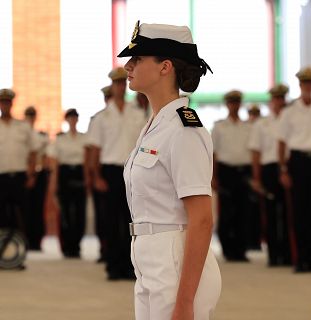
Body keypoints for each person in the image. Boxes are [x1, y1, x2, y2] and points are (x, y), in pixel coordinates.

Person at [119, 21, 221, 319]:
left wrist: (185, 301)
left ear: (165, 67)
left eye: (137, 59)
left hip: (175, 261)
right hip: (149, 258)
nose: (128, 66)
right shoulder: (155, 126)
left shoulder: (183, 129)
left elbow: (201, 219)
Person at [87, 67, 145, 279]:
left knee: (132, 220)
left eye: (123, 83)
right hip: (110, 172)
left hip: (132, 171)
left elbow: (144, 145)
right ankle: (113, 266)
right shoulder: (101, 117)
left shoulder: (138, 114)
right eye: (117, 83)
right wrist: (96, 177)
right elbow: (94, 150)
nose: (120, 87)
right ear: (112, 86)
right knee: (111, 221)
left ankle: (130, 266)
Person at [278, 66, 311, 272]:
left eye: (310, 83)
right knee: (299, 211)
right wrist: (284, 170)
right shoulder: (289, 113)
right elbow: (282, 143)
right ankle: (301, 259)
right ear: (300, 85)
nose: (307, 87)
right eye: (304, 83)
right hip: (298, 162)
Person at [249, 84, 292, 266]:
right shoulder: (261, 124)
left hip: (289, 167)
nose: (279, 102)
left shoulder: (292, 120)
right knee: (271, 213)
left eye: (281, 98)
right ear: (271, 101)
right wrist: (257, 178)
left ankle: (289, 254)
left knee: (289, 213)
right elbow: (256, 153)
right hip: (268, 169)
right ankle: (274, 255)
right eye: (276, 99)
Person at [211, 90, 252, 261]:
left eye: (237, 102)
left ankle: (241, 250)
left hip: (243, 171)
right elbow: (213, 154)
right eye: (231, 102)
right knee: (227, 212)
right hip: (226, 171)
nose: (234, 105)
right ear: (227, 104)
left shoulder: (247, 127)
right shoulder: (219, 127)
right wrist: (213, 176)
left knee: (243, 212)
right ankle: (228, 249)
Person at [0, 89, 37, 268]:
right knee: (1, 218)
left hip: (19, 178)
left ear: (11, 104)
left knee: (21, 218)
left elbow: (33, 151)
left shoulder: (23, 127)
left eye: (7, 102)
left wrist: (31, 174)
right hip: (1, 179)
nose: (5, 105)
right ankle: (2, 256)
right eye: (2, 102)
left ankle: (19, 256)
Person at [47, 109, 89, 258]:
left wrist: (87, 180)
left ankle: (77, 245)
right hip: (64, 175)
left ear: (77, 120)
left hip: (79, 174)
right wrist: (54, 183)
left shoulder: (84, 138)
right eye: (70, 118)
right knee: (65, 213)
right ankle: (66, 246)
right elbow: (55, 164)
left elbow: (86, 161)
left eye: (75, 118)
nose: (72, 120)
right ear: (67, 120)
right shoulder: (60, 139)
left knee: (79, 212)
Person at [85, 85, 112, 263]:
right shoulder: (99, 119)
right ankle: (105, 249)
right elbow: (90, 151)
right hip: (104, 171)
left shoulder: (132, 115)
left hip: (122, 170)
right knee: (104, 216)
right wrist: (92, 176)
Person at [24, 106, 50, 250]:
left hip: (39, 174)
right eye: (28, 115)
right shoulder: (21, 133)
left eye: (32, 115)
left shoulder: (41, 135)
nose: (30, 117)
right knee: (25, 209)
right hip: (25, 173)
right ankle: (25, 240)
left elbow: (45, 156)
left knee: (38, 209)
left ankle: (37, 241)